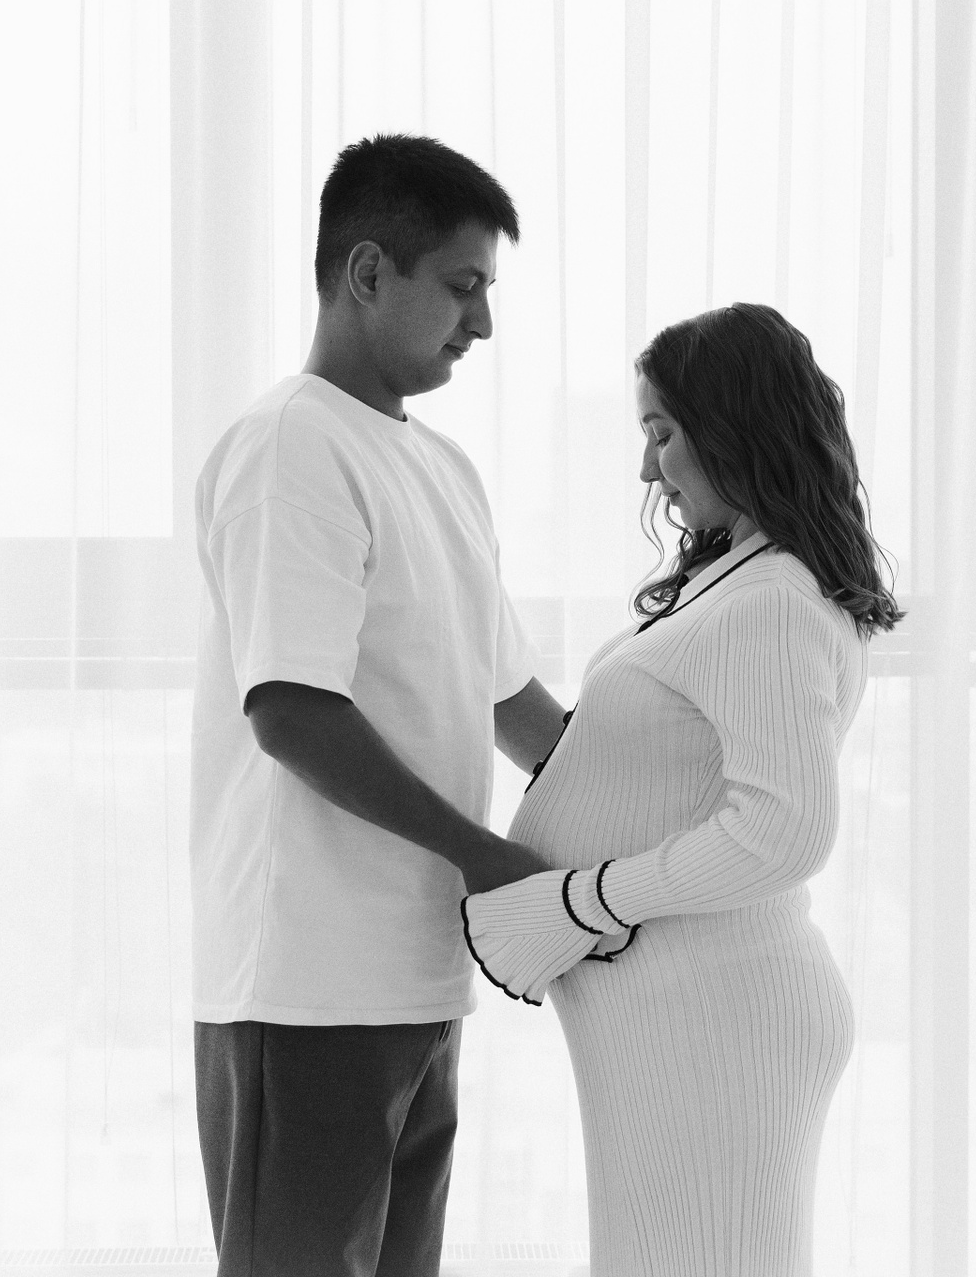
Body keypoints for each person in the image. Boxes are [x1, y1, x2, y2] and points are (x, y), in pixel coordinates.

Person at [189, 133, 566, 1277]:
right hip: (305, 982)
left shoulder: (444, 468)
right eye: (461, 286)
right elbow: (292, 710)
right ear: (366, 272)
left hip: (417, 976)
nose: (482, 322)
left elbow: (514, 702)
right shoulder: (291, 445)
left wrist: (663, 802)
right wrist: (486, 856)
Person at [462, 303, 903, 1275]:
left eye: (661, 432)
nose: (647, 469)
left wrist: (586, 900)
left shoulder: (772, 600)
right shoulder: (742, 580)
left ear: (733, 427)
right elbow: (647, 772)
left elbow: (784, 831)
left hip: (713, 1016)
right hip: (685, 1010)